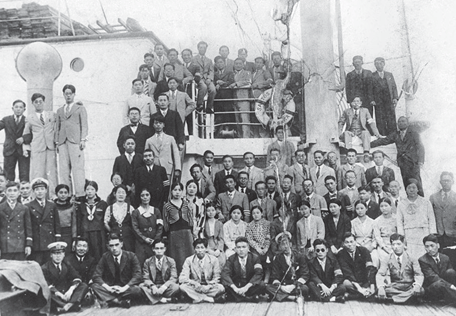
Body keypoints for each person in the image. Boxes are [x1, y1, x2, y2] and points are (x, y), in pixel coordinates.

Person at [371, 116, 425, 196]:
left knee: (416, 182)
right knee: (406, 182)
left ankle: (420, 199)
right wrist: (369, 144)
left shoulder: (414, 133)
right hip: (402, 163)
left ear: (407, 123)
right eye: (399, 122)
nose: (401, 123)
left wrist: (421, 161)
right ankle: (410, 199)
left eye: (403, 121)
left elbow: (420, 147)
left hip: (413, 163)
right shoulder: (396, 134)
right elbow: (385, 140)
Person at [91, 233, 143, 308]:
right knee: (94, 286)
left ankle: (110, 300)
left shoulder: (131, 256)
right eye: (111, 246)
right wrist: (108, 287)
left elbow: (138, 275)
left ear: (121, 244)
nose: (114, 248)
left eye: (116, 244)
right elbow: (96, 275)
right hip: (111, 288)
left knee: (137, 290)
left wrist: (124, 288)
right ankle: (118, 302)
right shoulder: (105, 257)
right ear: (108, 246)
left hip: (125, 288)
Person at [55, 84, 88, 199]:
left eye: (70, 93)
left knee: (77, 168)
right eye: (66, 94)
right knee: (64, 169)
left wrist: (83, 139)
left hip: (75, 141)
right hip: (62, 142)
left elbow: (84, 125)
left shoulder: (80, 108)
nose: (68, 96)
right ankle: (66, 194)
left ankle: (80, 194)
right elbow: (57, 127)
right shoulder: (59, 110)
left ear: (74, 94)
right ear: (63, 95)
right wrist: (57, 143)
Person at [22, 93, 58, 196]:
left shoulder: (52, 115)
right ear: (33, 103)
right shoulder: (30, 118)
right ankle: (35, 196)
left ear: (44, 102)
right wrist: (25, 148)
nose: (38, 104)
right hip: (37, 148)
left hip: (50, 147)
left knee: (52, 173)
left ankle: (53, 196)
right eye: (36, 102)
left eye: (40, 101)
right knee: (37, 172)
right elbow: (26, 134)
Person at [41, 241, 88, 314]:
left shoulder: (66, 264)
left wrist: (71, 290)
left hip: (67, 293)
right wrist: (59, 294)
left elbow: (76, 277)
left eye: (60, 253)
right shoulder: (45, 267)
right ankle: (69, 305)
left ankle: (69, 306)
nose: (58, 256)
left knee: (83, 285)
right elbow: (47, 284)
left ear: (64, 255)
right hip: (56, 295)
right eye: (55, 253)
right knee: (47, 293)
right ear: (51, 255)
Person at [376, 233, 424, 304]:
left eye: (398, 244)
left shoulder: (412, 258)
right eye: (393, 244)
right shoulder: (387, 258)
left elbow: (419, 274)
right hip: (395, 287)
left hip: (409, 286)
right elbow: (380, 274)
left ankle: (392, 299)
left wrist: (417, 285)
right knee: (382, 290)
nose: (396, 247)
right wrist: (380, 287)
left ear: (404, 245)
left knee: (421, 290)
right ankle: (407, 299)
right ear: (391, 246)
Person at [397, 179, 436, 259]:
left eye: (414, 187)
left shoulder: (425, 202)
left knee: (425, 255)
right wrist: (402, 237)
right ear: (406, 190)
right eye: (409, 188)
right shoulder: (401, 204)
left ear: (418, 189)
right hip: (409, 233)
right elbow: (399, 222)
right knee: (411, 256)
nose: (411, 190)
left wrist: (431, 235)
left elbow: (431, 219)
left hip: (424, 232)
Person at [266, 232, 310, 301]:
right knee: (268, 287)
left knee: (305, 289)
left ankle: (281, 296)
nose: (285, 246)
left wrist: (294, 286)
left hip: (295, 285)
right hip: (284, 285)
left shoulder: (299, 256)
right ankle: (291, 297)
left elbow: (305, 274)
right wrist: (281, 287)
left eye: (287, 243)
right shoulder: (277, 258)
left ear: (291, 244)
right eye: (282, 245)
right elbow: (274, 276)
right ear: (279, 247)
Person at [179, 238, 225, 303]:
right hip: (195, 287)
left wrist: (208, 286)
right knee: (182, 287)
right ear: (194, 249)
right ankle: (206, 298)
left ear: (206, 249)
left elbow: (217, 277)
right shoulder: (189, 260)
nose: (200, 250)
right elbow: (182, 278)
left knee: (221, 288)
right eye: (197, 248)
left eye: (202, 247)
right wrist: (194, 283)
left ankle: (196, 297)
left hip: (208, 287)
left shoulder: (213, 259)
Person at [28, 178, 61, 265]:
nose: (40, 192)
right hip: (37, 242)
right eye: (37, 189)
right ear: (33, 191)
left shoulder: (52, 205)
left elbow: (56, 224)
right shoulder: (29, 206)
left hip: (50, 241)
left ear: (46, 190)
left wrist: (57, 240)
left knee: (49, 265)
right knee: (37, 265)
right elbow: (28, 226)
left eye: (42, 189)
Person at [221, 236, 265, 302]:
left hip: (249, 285)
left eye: (244, 247)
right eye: (239, 247)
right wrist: (235, 288)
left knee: (262, 284)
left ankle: (238, 297)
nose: (241, 250)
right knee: (226, 285)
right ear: (235, 249)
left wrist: (246, 287)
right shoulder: (231, 259)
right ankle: (249, 298)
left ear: (248, 248)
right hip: (237, 285)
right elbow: (225, 273)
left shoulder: (255, 258)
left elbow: (258, 273)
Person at [163, 183, 194, 274]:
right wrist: (167, 233)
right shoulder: (167, 206)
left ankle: (189, 275)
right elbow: (165, 221)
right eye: (175, 190)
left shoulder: (186, 204)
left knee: (188, 254)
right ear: (171, 191)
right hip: (174, 233)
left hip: (187, 233)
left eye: (179, 190)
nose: (177, 192)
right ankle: (177, 276)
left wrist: (191, 231)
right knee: (176, 255)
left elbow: (190, 218)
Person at [337, 233, 376, 300]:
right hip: (352, 282)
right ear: (343, 244)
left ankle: (353, 295)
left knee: (375, 282)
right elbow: (347, 272)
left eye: (351, 242)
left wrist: (372, 287)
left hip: (364, 280)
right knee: (346, 283)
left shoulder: (364, 251)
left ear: (355, 242)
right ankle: (363, 294)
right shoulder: (341, 254)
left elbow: (370, 268)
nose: (350, 244)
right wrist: (360, 289)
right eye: (347, 242)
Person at [418, 234, 456, 303]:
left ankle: (450, 297)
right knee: (439, 283)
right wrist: (451, 286)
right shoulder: (423, 260)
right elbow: (432, 278)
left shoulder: (445, 258)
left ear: (438, 246)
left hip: (444, 288)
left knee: (451, 272)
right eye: (427, 246)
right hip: (431, 289)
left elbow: (452, 275)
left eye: (432, 246)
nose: (429, 249)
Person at [76, 181, 108, 262]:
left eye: (92, 189)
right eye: (87, 189)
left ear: (96, 190)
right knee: (87, 254)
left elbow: (106, 219)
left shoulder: (102, 204)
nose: (89, 191)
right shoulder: (81, 205)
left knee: (99, 254)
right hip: (86, 233)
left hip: (98, 233)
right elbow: (79, 220)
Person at [140, 239, 179, 304]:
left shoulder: (170, 261)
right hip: (153, 286)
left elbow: (174, 277)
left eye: (161, 248)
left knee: (176, 287)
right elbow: (145, 278)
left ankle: (154, 299)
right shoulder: (148, 261)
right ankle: (164, 299)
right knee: (141, 286)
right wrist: (152, 286)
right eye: (157, 248)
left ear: (165, 249)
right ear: (153, 249)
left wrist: (164, 287)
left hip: (165, 286)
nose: (159, 251)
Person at [0, 181, 32, 260]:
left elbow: (28, 229)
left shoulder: (24, 208)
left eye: (15, 191)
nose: (12, 193)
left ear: (19, 193)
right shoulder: (0, 208)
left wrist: (28, 245)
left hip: (20, 246)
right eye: (9, 191)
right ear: (5, 193)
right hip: (5, 246)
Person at [131, 188, 163, 266]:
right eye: (142, 195)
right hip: (141, 244)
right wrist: (144, 239)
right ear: (139, 197)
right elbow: (134, 227)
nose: (145, 197)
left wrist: (155, 240)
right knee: (141, 263)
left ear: (150, 196)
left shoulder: (156, 211)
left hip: (153, 243)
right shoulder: (136, 212)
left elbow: (160, 226)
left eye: (147, 195)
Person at [145, 116, 181, 182]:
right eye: (156, 123)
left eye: (160, 123)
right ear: (153, 125)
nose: (158, 125)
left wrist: (177, 169)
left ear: (164, 125)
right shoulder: (149, 140)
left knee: (167, 187)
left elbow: (176, 154)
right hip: (154, 168)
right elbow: (146, 155)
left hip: (168, 168)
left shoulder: (170, 138)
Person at [0, 99, 29, 182]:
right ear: (12, 108)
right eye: (16, 107)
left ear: (24, 109)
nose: (18, 109)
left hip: (23, 151)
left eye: (21, 107)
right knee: (8, 174)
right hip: (9, 150)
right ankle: (8, 191)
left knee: (24, 174)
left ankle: (23, 192)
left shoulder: (27, 120)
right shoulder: (6, 119)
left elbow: (32, 134)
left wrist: (24, 138)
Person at [104, 185, 135, 252]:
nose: (121, 194)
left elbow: (135, 223)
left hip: (128, 237)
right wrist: (112, 231)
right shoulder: (110, 208)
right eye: (119, 192)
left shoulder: (130, 208)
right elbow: (105, 223)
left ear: (126, 194)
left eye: (123, 193)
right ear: (115, 194)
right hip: (114, 238)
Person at [371, 57, 398, 136]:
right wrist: (372, 100)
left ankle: (393, 135)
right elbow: (370, 89)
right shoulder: (372, 75)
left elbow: (394, 87)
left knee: (391, 118)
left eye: (380, 63)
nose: (378, 65)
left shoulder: (389, 75)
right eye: (376, 64)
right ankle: (382, 136)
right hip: (378, 101)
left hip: (389, 100)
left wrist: (395, 98)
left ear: (384, 64)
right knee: (380, 119)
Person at [113, 135, 143, 201]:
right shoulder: (118, 159)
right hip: (123, 191)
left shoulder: (140, 158)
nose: (130, 145)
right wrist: (124, 186)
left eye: (132, 144)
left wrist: (135, 186)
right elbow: (115, 176)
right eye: (128, 143)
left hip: (138, 190)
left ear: (135, 145)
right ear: (124, 145)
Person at [430, 171, 456, 248]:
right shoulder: (433, 197)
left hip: (453, 234)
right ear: (440, 182)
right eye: (444, 181)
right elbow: (430, 216)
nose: (446, 183)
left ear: (453, 182)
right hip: (438, 234)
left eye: (448, 180)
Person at [246, 206, 271, 282]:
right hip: (255, 248)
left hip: (267, 247)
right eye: (253, 213)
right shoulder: (249, 225)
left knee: (269, 259)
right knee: (255, 258)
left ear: (262, 213)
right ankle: (258, 279)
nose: (256, 215)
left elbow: (268, 236)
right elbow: (250, 239)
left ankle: (267, 279)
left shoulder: (267, 223)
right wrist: (258, 248)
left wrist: (266, 247)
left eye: (258, 213)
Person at [229, 58, 252, 139]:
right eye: (236, 64)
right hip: (235, 99)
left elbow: (248, 82)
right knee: (237, 120)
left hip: (244, 99)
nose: (238, 65)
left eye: (240, 63)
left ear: (243, 65)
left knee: (245, 120)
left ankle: (246, 138)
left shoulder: (247, 73)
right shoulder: (232, 74)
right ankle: (240, 137)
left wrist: (236, 83)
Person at [213, 55, 235, 137]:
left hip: (227, 97)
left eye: (221, 62)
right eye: (217, 63)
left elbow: (231, 81)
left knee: (228, 114)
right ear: (215, 65)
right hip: (217, 98)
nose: (219, 64)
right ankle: (219, 132)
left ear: (224, 63)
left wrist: (222, 83)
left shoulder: (229, 72)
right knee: (219, 115)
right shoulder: (214, 74)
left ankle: (229, 130)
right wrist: (216, 84)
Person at [351, 201, 378, 265]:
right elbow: (352, 237)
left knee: (375, 258)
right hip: (358, 246)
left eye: (362, 208)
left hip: (370, 246)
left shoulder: (372, 222)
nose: (360, 211)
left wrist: (372, 247)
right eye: (357, 209)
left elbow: (375, 237)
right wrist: (359, 247)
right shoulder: (352, 222)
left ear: (366, 208)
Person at [192, 41, 216, 112]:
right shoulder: (193, 59)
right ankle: (200, 104)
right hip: (199, 78)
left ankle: (209, 107)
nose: (202, 49)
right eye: (201, 47)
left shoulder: (209, 60)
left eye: (204, 48)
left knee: (213, 90)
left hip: (207, 78)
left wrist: (209, 78)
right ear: (198, 48)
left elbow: (211, 71)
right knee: (203, 87)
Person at [373, 198, 397, 264]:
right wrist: (384, 247)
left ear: (391, 206)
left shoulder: (396, 219)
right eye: (381, 206)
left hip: (395, 243)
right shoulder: (376, 221)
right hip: (383, 245)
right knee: (384, 258)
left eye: (386, 206)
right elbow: (377, 237)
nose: (384, 208)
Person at [54, 184, 76, 254]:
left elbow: (74, 224)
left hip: (68, 235)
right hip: (55, 234)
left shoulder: (72, 207)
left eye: (65, 192)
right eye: (61, 192)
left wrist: (74, 238)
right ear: (56, 193)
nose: (63, 195)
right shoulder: (52, 206)